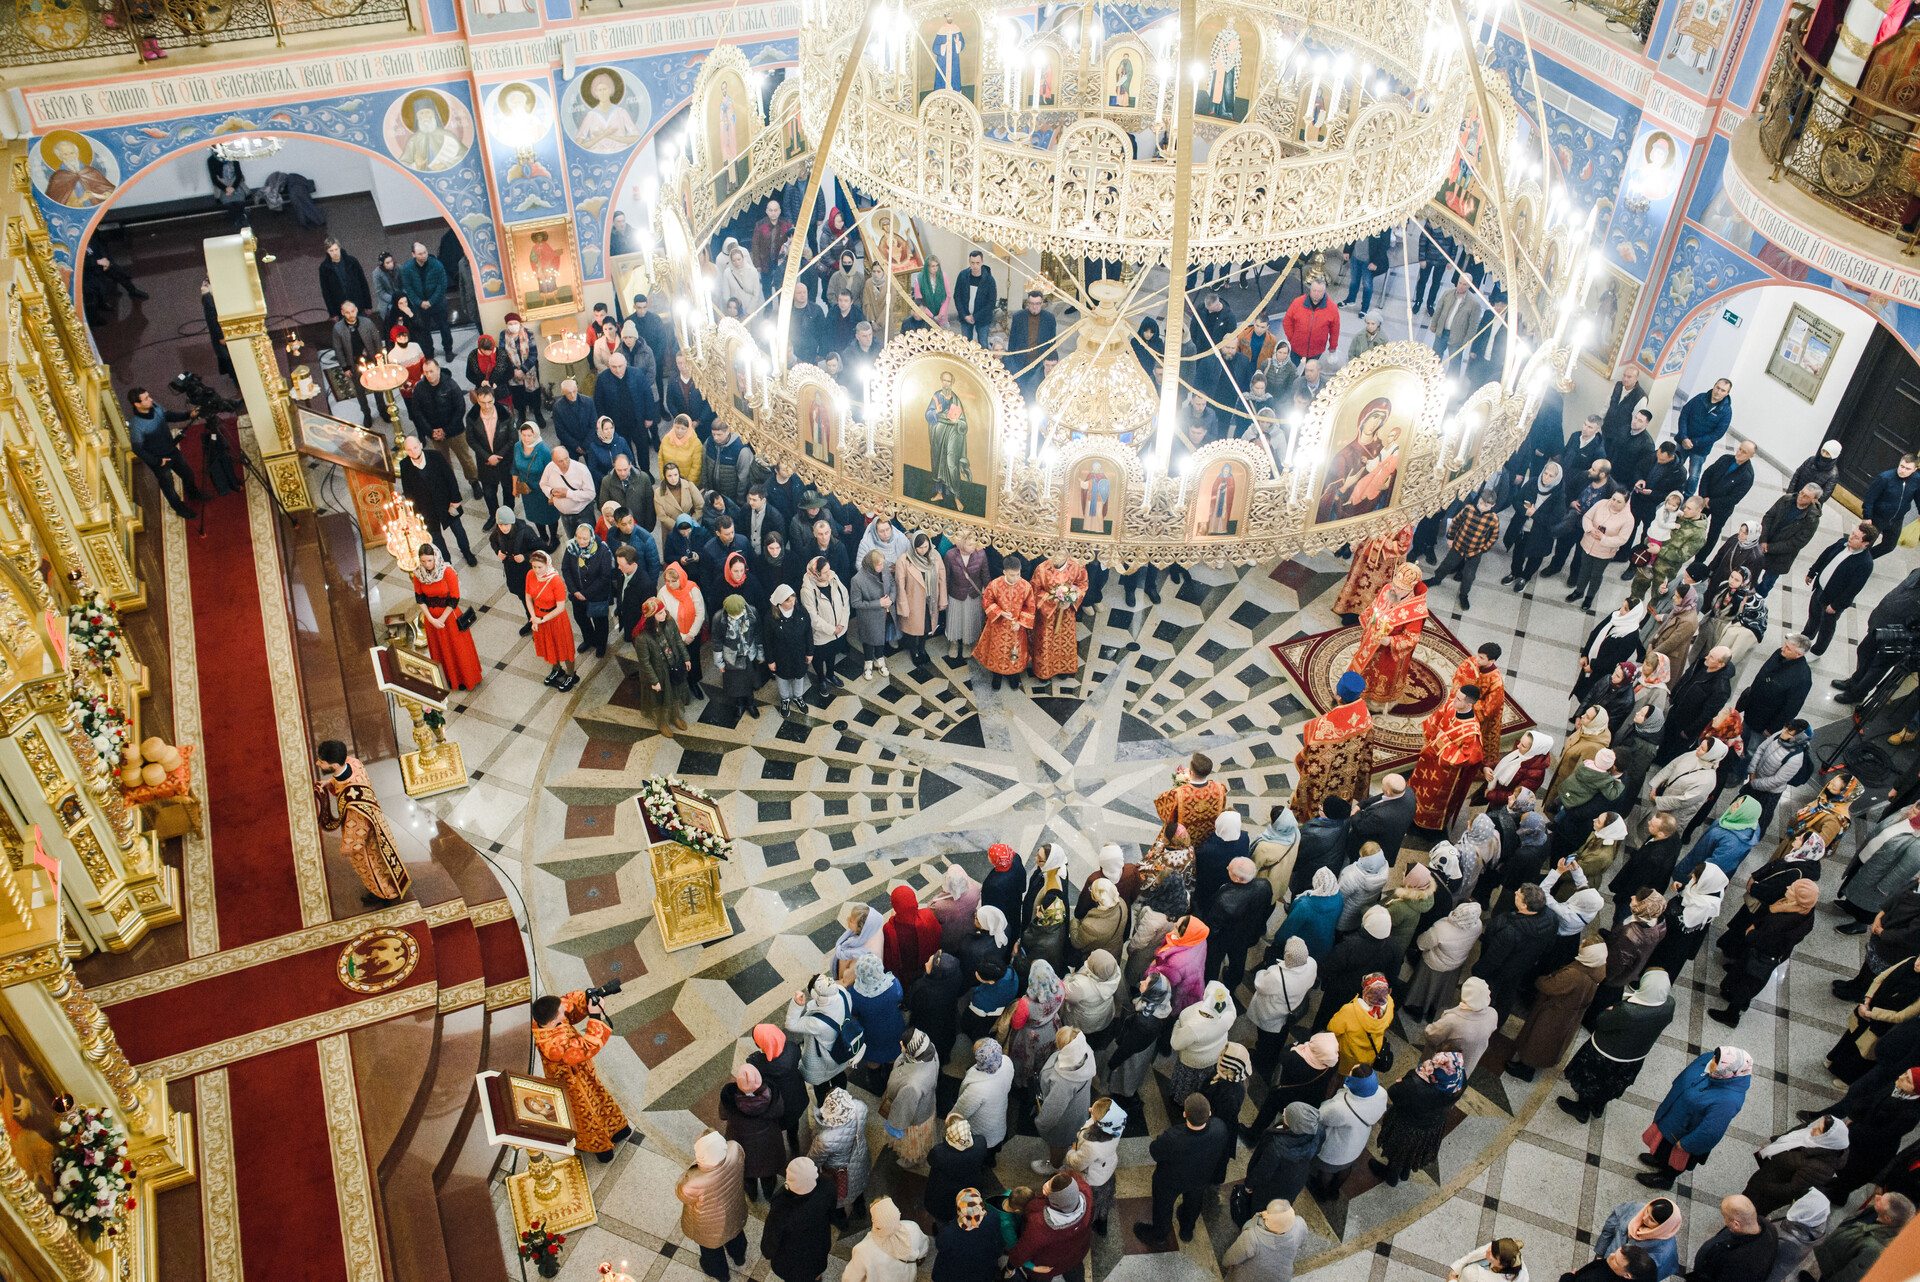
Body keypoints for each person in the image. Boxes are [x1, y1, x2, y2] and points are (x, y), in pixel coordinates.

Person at [1560, 968, 1677, 1122]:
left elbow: (1603, 1021)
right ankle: (1597, 1107)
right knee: (1610, 1085)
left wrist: (1611, 1010)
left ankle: (1582, 1109)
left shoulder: (1630, 1012)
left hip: (1607, 1053)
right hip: (1634, 1057)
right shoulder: (1669, 1005)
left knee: (1591, 1081)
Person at [530, 989, 632, 1160]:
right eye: (561, 1013)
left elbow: (569, 1004)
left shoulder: (546, 1018)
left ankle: (617, 1131)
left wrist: (588, 996)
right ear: (554, 1020)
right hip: (571, 1085)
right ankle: (601, 1149)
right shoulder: (553, 1046)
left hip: (582, 1073)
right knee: (586, 1115)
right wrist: (595, 1016)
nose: (565, 1010)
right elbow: (586, 1047)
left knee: (599, 1098)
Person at [312, 739, 410, 906]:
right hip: (376, 819)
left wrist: (347, 847)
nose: (317, 763)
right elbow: (342, 779)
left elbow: (357, 831)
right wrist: (330, 782)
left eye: (321, 762)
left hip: (367, 839)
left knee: (371, 866)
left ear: (334, 765)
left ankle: (384, 894)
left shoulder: (353, 805)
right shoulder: (353, 763)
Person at [1638, 1048, 1751, 1188]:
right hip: (1675, 1118)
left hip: (1685, 1135)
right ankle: (1660, 1160)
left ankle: (1665, 1179)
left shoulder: (1728, 1101)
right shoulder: (1716, 1060)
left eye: (1716, 1063)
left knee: (1675, 1159)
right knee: (1664, 1148)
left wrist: (1687, 1144)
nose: (1711, 1063)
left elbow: (1711, 1131)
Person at [1135, 1093, 1232, 1246]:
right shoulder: (1220, 1127)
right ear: (1209, 1113)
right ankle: (1187, 1230)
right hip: (1201, 1176)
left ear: (1185, 1114)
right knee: (1194, 1201)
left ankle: (1159, 1235)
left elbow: (1155, 1151)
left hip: (1170, 1181)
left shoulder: (1173, 1137)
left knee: (1163, 1206)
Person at [1509, 939, 1608, 1079]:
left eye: (1584, 945)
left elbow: (1548, 986)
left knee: (1539, 1038)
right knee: (1550, 1041)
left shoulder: (1574, 975)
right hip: (1569, 1014)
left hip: (1554, 1013)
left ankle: (1526, 1068)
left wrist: (1540, 980)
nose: (1581, 943)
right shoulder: (1598, 967)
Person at [1369, 1051, 1466, 1186]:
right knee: (1413, 1151)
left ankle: (1391, 1176)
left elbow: (1393, 1093)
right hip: (1431, 1127)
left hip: (1407, 1125)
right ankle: (1404, 1172)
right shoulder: (1459, 1079)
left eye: (1433, 1063)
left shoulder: (1415, 1085)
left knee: (1398, 1152)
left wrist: (1403, 1082)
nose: (1430, 1064)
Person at [675, 1129, 749, 1280]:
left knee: (711, 1250)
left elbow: (682, 1194)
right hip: (734, 1208)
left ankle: (722, 1274)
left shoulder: (694, 1180)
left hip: (709, 1224)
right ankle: (739, 1257)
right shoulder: (735, 1150)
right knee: (735, 1233)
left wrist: (690, 1170)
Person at [1411, 685, 1486, 832]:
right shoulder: (1452, 707)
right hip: (1428, 759)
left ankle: (1426, 827)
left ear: (1469, 705)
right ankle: (1411, 812)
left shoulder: (1471, 733)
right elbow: (1433, 723)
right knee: (1417, 785)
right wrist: (1433, 741)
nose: (1453, 700)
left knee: (1431, 799)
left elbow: (1466, 758)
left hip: (1444, 773)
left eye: (1458, 699)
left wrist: (1442, 742)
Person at [1744, 1114, 1849, 1216]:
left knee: (1751, 1209)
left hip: (1769, 1193)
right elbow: (1793, 1133)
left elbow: (1792, 1190)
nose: (1813, 1128)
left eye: (1818, 1130)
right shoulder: (1813, 1132)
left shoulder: (1820, 1168)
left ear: (1827, 1139)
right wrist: (1774, 1144)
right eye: (1817, 1123)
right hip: (1769, 1174)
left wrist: (1764, 1185)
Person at [410, 543, 481, 692]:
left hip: (449, 617)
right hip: (432, 619)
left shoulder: (447, 572)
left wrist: (441, 619)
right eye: (423, 561)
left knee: (458, 649)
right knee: (440, 649)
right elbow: (419, 598)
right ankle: (448, 679)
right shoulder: (418, 574)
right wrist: (430, 619)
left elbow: (454, 598)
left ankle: (465, 679)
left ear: (436, 557)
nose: (427, 565)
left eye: (429, 560)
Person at [1802, 522, 1878, 655]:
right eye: (1853, 533)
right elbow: (1825, 555)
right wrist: (1812, 571)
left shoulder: (1865, 564)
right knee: (1813, 616)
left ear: (1865, 543)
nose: (1851, 538)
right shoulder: (1842, 543)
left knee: (1826, 627)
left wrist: (1836, 606)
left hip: (1832, 601)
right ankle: (1804, 638)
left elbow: (1853, 589)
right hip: (1820, 590)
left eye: (1856, 537)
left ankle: (1817, 651)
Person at [808, 1087, 873, 1228]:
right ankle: (860, 1207)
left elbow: (813, 1161)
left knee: (838, 1198)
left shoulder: (825, 1139)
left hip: (837, 1170)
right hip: (859, 1157)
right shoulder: (860, 1108)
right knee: (858, 1184)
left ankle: (841, 1221)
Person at [763, 1157, 836, 1282]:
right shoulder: (827, 1186)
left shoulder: (782, 1207)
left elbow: (772, 1236)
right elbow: (831, 1211)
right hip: (818, 1246)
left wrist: (767, 1252)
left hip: (791, 1259)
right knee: (815, 1270)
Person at [1427, 488, 1503, 610]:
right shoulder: (1468, 509)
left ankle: (1463, 595)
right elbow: (1456, 522)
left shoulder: (1493, 518)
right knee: (1446, 564)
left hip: (1475, 551)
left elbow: (1494, 536)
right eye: (1481, 503)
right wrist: (1450, 538)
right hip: (1459, 545)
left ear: (1493, 505)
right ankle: (1436, 579)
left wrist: (1484, 549)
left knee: (1469, 575)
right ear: (1479, 499)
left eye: (1486, 505)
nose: (1482, 507)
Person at [1815, 1193, 1915, 1282]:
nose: (1877, 1196)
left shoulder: (1876, 1250)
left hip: (1835, 1269)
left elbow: (1848, 1277)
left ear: (1887, 1218)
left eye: (1881, 1200)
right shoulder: (1875, 1211)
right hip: (1833, 1255)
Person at [1686, 1195, 1778, 1282]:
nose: (1725, 1222)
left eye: (1725, 1217)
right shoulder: (1770, 1229)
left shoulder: (1738, 1262)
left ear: (1736, 1224)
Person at [1224, 1197, 1310, 1282]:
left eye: (1268, 1212)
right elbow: (1301, 1247)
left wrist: (1225, 1262)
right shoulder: (1300, 1223)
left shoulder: (1252, 1237)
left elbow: (1233, 1257)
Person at [1594, 1199, 1683, 1281]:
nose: (1644, 1218)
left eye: (1651, 1220)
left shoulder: (1663, 1254)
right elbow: (1609, 1228)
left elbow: (1645, 1277)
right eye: (1647, 1211)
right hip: (1606, 1260)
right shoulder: (1636, 1208)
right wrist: (1599, 1255)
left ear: (1662, 1227)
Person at [1676, 379, 1734, 494]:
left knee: (1694, 475)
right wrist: (1684, 436)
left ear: (1727, 393)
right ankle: (1670, 488)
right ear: (1714, 386)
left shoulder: (1726, 412)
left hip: (1700, 450)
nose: (1718, 392)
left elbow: (1717, 434)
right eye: (1717, 387)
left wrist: (1694, 442)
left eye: (1723, 390)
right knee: (1675, 467)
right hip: (1683, 442)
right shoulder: (1700, 398)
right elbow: (1684, 414)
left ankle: (1687, 497)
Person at [1862, 453, 1920, 556]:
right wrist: (1867, 517)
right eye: (1901, 466)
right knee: (1865, 544)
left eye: (1907, 468)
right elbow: (1869, 498)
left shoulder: (1917, 480)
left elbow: (1918, 497)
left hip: (1897, 520)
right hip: (1878, 518)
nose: (1902, 470)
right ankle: (1856, 561)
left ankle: (1866, 559)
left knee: (1889, 546)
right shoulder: (1885, 478)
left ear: (1915, 469)